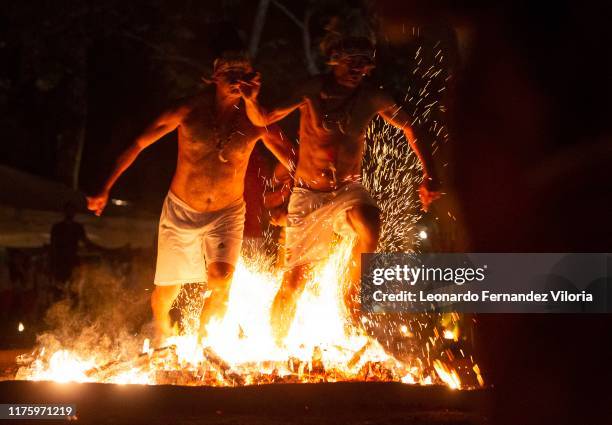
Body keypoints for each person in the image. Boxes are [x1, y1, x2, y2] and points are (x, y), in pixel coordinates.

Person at [240, 19, 440, 344]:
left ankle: (350, 296)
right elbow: (264, 118)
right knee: (294, 283)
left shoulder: (372, 98)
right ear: (334, 59)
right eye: (351, 63)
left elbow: (412, 128)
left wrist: (429, 174)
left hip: (347, 189)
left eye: (363, 65)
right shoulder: (311, 89)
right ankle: (273, 345)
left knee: (369, 222)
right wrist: (250, 100)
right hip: (308, 195)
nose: (357, 70)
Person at [87, 52, 295, 344]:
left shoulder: (256, 121)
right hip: (181, 210)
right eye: (230, 75)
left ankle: (204, 348)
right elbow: (138, 143)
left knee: (222, 280)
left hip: (228, 213)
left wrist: (303, 190)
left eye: (243, 76)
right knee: (166, 293)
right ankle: (162, 330)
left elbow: (293, 160)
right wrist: (105, 187)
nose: (237, 83)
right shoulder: (187, 110)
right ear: (214, 77)